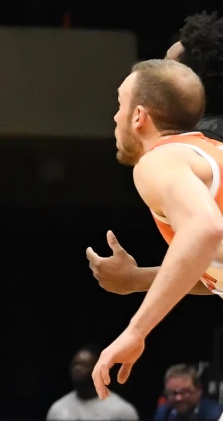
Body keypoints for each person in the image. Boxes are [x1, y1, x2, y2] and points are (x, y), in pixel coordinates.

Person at [85, 59, 223, 403]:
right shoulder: (210, 154)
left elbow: (205, 230)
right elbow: (213, 264)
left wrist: (136, 330)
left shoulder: (159, 160)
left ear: (138, 116)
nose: (115, 116)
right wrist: (137, 279)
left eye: (120, 104)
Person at [51, 347, 139, 421]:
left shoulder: (121, 411)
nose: (77, 369)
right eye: (75, 364)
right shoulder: (58, 409)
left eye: (84, 365)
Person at [154, 365, 219, 421]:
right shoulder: (164, 413)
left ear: (199, 390)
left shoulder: (216, 415)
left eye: (184, 392)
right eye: (173, 393)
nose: (178, 398)